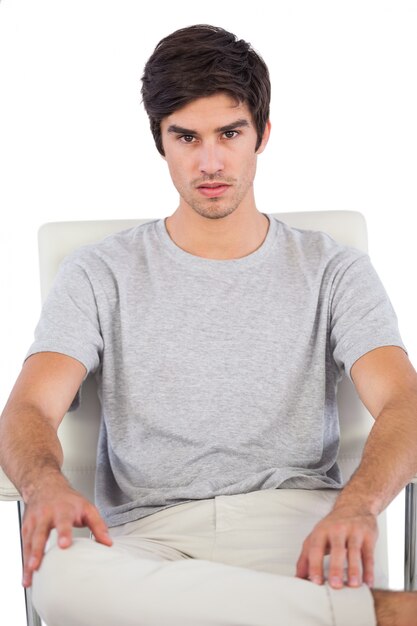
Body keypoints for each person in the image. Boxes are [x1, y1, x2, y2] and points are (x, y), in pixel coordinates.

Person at [0, 23, 416, 626]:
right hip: (149, 542)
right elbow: (28, 410)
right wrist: (45, 486)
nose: (211, 161)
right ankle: (370, 616)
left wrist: (358, 506)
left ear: (262, 135)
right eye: (187, 137)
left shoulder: (332, 269)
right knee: (59, 579)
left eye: (230, 133)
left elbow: (405, 402)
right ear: (160, 143)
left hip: (296, 529)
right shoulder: (97, 272)